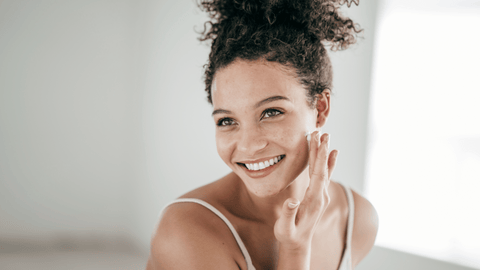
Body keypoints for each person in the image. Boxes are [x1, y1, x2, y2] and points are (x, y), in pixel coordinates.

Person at [146, 0, 378, 269]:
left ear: (321, 108)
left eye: (271, 112)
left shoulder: (358, 219)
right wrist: (295, 248)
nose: (248, 145)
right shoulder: (186, 230)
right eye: (227, 120)